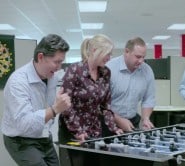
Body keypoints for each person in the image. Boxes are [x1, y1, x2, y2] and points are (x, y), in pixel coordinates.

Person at [1, 34, 71, 166]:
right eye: (57, 62)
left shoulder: (52, 75)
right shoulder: (18, 82)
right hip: (20, 139)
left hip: (42, 135)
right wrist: (55, 109)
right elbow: (24, 123)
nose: (59, 67)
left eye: (61, 62)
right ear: (40, 57)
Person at [58, 34, 123, 165]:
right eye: (107, 54)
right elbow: (65, 105)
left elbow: (105, 105)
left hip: (94, 130)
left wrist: (113, 127)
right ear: (95, 51)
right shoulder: (74, 70)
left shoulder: (106, 73)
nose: (109, 58)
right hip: (72, 131)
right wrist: (78, 131)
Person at [106, 37, 156, 132]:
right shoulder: (109, 68)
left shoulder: (147, 71)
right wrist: (118, 120)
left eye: (143, 57)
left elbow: (149, 98)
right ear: (126, 51)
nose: (141, 61)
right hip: (109, 123)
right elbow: (102, 104)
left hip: (132, 122)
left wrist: (145, 118)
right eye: (138, 57)